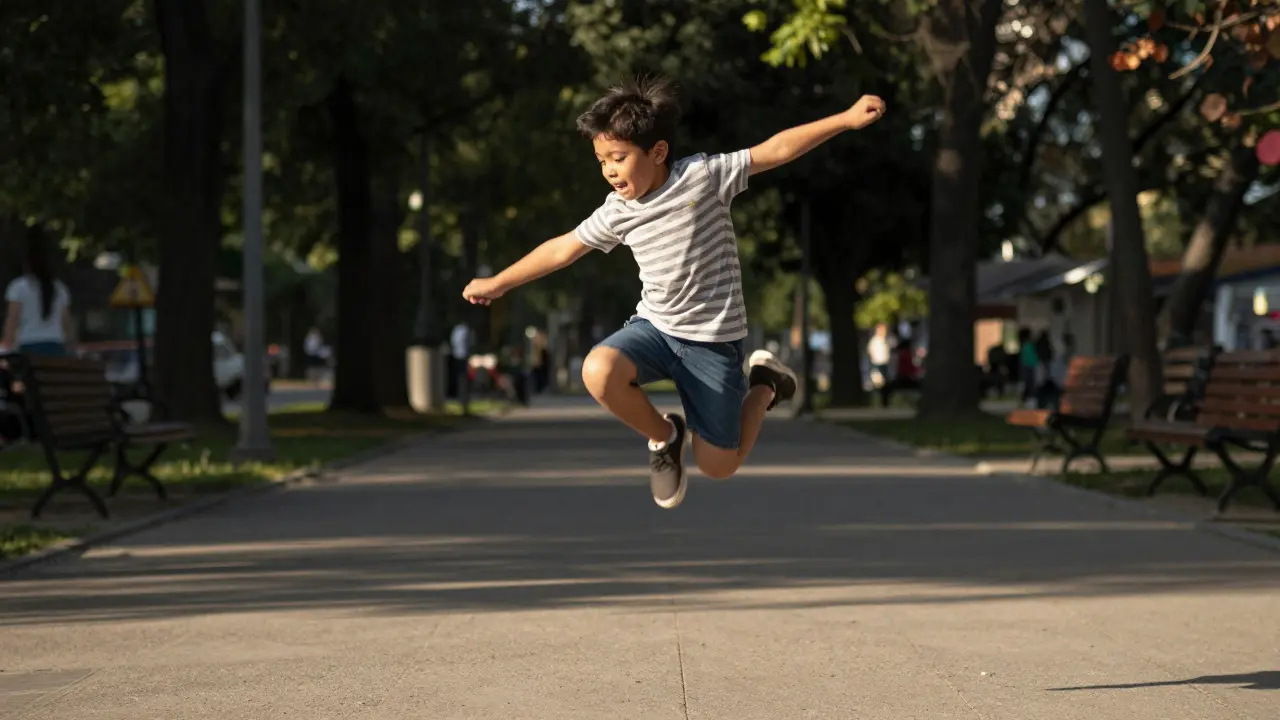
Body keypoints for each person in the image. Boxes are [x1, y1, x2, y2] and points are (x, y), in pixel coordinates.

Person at [461, 75, 887, 509]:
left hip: (713, 342)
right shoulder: (618, 212)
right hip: (657, 330)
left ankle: (764, 385)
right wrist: (499, 283)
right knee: (598, 370)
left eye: (619, 157)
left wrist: (845, 120)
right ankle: (664, 436)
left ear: (658, 152)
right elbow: (563, 249)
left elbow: (774, 150)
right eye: (601, 160)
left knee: (720, 466)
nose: (609, 170)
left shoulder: (703, 177)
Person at [2, 230, 75, 358]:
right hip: (56, 348)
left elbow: (13, 319)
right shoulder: (59, 289)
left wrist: (7, 343)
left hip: (28, 347)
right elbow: (67, 324)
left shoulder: (19, 287)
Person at [866, 323, 892, 389]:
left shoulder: (886, 340)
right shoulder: (874, 340)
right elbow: (869, 351)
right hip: (876, 363)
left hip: (884, 363)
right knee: (877, 382)